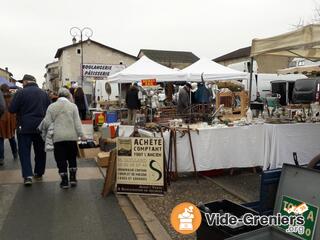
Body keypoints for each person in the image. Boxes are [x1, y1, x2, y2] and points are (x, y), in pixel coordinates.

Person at [9, 74, 51, 185]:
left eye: (23, 82)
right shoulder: (44, 94)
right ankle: (39, 172)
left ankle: (28, 176)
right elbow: (49, 110)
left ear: (26, 82)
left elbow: (12, 109)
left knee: (24, 152)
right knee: (40, 151)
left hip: (24, 126)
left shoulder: (20, 93)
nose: (22, 84)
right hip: (40, 126)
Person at [39, 88, 84, 189]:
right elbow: (77, 123)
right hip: (71, 137)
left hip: (58, 138)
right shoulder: (73, 106)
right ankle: (73, 178)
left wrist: (48, 130)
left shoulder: (51, 106)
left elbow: (46, 122)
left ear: (58, 95)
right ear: (68, 96)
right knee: (72, 157)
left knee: (61, 159)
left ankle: (64, 181)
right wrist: (82, 135)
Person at [0, 84, 18, 166]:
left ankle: (1, 158)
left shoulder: (1, 97)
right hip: (11, 118)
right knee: (11, 137)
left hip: (1, 118)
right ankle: (15, 154)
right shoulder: (12, 97)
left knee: (0, 138)